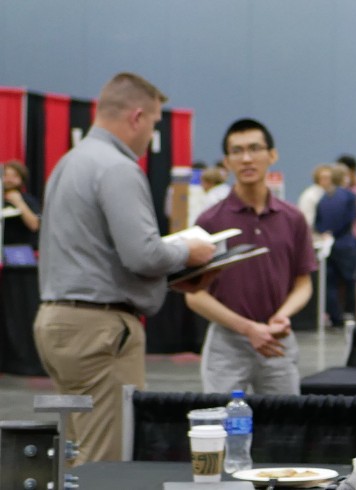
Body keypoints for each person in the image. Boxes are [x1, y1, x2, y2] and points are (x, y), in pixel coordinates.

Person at [34, 73, 216, 465]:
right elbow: (143, 255)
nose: (152, 135)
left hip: (59, 322)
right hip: (99, 332)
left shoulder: (69, 163)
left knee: (75, 453)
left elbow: (99, 255)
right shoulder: (117, 167)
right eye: (153, 123)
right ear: (136, 117)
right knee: (107, 460)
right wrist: (188, 251)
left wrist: (168, 274)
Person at [186, 118, 316, 395]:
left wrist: (282, 316)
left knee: (285, 419)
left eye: (255, 148)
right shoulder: (209, 221)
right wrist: (247, 328)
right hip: (227, 343)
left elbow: (303, 284)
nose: (246, 158)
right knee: (221, 417)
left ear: (272, 155)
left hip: (277, 338)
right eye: (237, 151)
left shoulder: (292, 218)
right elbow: (194, 295)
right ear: (227, 162)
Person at [315, 163, 356, 328]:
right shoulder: (349, 197)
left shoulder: (323, 198)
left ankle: (335, 317)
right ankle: (351, 313)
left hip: (327, 245)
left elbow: (317, 223)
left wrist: (326, 234)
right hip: (345, 244)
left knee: (329, 282)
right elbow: (349, 219)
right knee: (351, 280)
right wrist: (336, 233)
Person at [2, 160, 41, 249]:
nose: (9, 179)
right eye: (6, 175)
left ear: (22, 180)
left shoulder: (29, 200)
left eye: (14, 176)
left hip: (21, 251)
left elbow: (34, 226)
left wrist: (18, 202)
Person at [297, 164, 329, 234]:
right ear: (317, 179)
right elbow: (308, 221)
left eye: (330, 178)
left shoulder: (330, 194)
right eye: (324, 177)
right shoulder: (310, 196)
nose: (328, 180)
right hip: (314, 236)